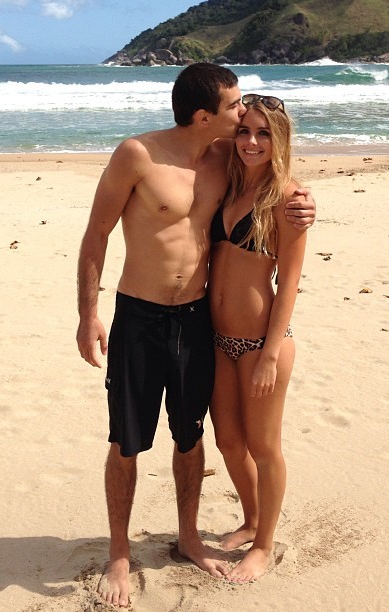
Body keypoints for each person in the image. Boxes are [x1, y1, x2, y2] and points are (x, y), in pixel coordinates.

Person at [76, 63, 315, 607]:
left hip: (196, 320)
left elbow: (273, 162)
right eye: (235, 108)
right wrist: (89, 315)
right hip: (140, 318)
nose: (243, 117)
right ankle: (119, 552)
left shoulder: (224, 155)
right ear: (205, 115)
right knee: (127, 440)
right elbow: (97, 234)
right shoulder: (138, 155)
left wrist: (305, 201)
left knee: (191, 436)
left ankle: (190, 537)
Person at [208, 93, 306, 583]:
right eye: (244, 130)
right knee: (228, 442)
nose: (251, 141)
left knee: (264, 448)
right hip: (217, 339)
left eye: (264, 133)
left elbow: (288, 282)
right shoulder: (225, 183)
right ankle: (250, 519)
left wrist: (269, 354)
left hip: (260, 344)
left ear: (279, 140)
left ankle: (264, 545)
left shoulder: (288, 198)